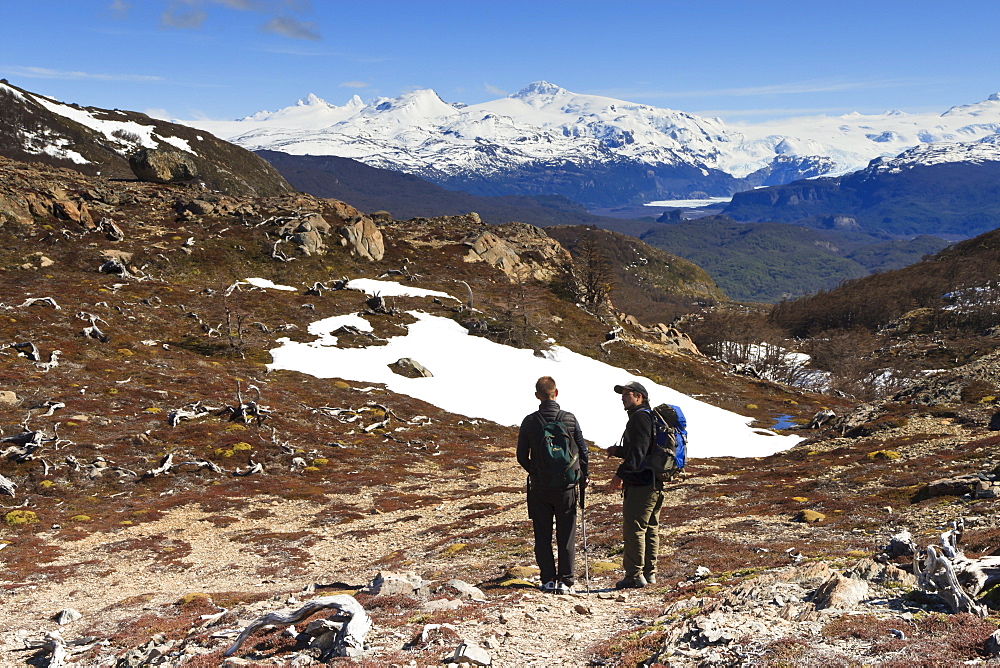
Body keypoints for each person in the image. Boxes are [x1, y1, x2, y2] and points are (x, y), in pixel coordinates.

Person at [516, 376, 588, 595]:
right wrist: (582, 476)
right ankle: (566, 581)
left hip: (540, 488)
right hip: (566, 487)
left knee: (542, 534)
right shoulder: (569, 419)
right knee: (566, 534)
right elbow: (583, 452)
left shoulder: (530, 421)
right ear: (556, 393)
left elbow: (521, 456)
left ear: (537, 395)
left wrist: (536, 472)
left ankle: (548, 580)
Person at [606, 380, 662, 589]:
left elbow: (638, 454)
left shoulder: (639, 418)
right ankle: (649, 573)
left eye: (627, 394)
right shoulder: (648, 417)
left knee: (635, 529)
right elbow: (644, 449)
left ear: (639, 396)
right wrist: (618, 451)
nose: (622, 397)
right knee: (650, 528)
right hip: (654, 481)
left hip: (641, 483)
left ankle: (634, 575)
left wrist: (620, 474)